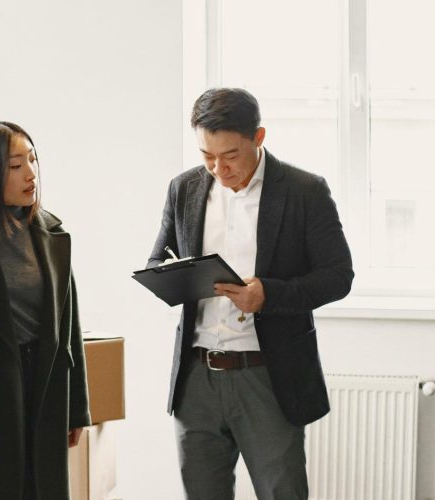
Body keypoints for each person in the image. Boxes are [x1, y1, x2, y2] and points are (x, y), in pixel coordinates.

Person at [147, 88, 354, 499]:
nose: (218, 169)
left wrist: (269, 295)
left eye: (231, 155)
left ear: (258, 137)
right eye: (207, 155)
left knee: (282, 493)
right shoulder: (184, 188)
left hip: (269, 376)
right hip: (197, 378)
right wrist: (173, 277)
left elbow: (338, 276)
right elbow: (157, 261)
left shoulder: (304, 191)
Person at [0, 122, 91, 500]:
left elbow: (70, 325)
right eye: (16, 165)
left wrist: (77, 407)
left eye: (32, 159)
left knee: (45, 486)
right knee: (2, 485)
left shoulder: (50, 233)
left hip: (47, 379)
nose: (31, 174)